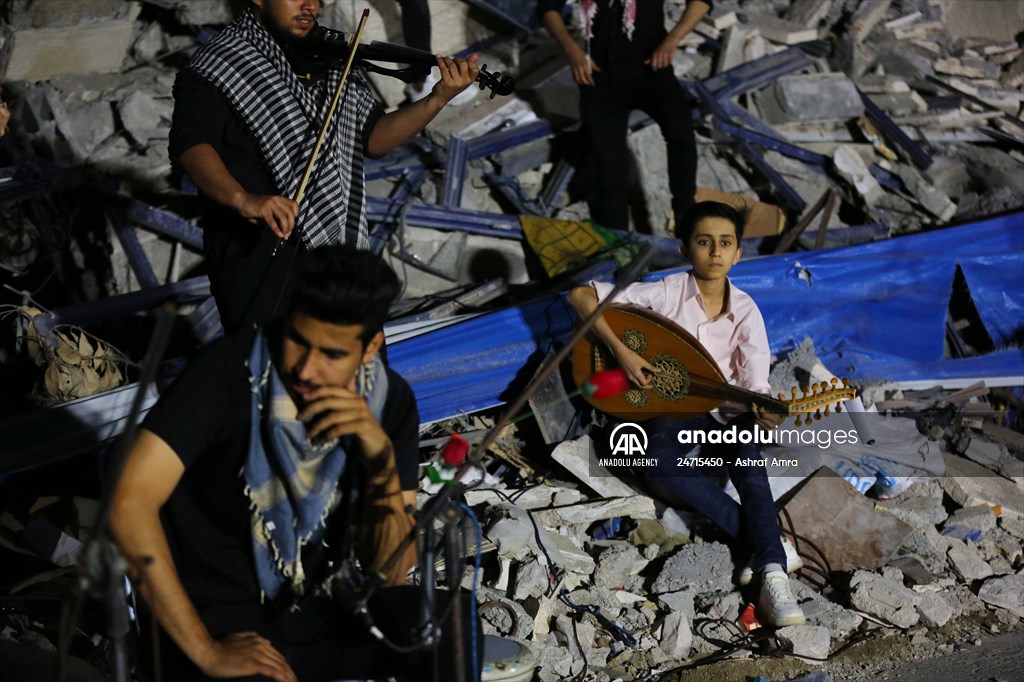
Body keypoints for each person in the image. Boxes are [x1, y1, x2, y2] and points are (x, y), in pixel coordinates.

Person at [110, 245, 477, 681]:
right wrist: (206, 650)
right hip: (219, 618)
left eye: (332, 354)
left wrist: (380, 460)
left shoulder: (388, 402)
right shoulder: (228, 373)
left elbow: (392, 570)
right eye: (297, 341)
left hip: (319, 608)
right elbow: (127, 501)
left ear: (371, 346)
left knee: (452, 622)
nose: (306, 369)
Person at [169, 0, 479, 333]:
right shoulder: (218, 64)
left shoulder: (330, 57)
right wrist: (243, 200)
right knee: (272, 370)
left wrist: (437, 99)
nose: (310, 5)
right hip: (259, 254)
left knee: (358, 365)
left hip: (337, 251)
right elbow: (190, 145)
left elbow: (374, 139)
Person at [567, 201, 806, 627]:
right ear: (684, 250)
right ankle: (765, 543)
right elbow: (581, 295)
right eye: (704, 242)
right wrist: (622, 353)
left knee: (749, 463)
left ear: (738, 254)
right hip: (672, 411)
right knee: (655, 458)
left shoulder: (747, 311)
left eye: (725, 243)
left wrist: (764, 413)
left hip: (731, 416)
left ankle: (772, 575)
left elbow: (755, 382)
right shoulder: (665, 292)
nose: (715, 251)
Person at [539, 0, 710, 232]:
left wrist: (672, 39)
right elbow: (548, 8)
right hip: (600, 75)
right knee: (610, 164)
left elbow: (701, 2)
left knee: (680, 131)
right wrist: (572, 50)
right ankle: (619, 242)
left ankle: (684, 212)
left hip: (652, 68)